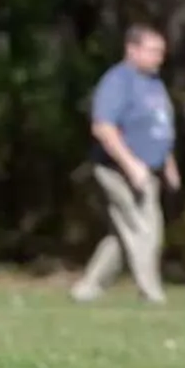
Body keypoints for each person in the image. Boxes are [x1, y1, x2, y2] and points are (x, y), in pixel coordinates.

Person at [72, 25, 179, 304]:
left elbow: (159, 126)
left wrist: (168, 164)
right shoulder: (117, 81)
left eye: (162, 52)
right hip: (117, 169)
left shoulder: (154, 83)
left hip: (148, 169)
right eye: (154, 51)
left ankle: (88, 288)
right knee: (143, 229)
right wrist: (130, 165)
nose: (160, 57)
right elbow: (103, 127)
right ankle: (151, 292)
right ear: (132, 50)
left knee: (123, 234)